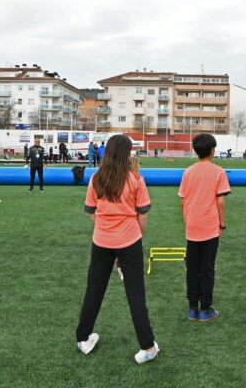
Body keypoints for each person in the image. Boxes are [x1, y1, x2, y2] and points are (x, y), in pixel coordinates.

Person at [76, 135, 158, 363]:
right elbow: (142, 215)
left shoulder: (96, 178)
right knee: (135, 295)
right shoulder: (135, 179)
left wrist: (106, 228)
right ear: (126, 153)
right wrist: (135, 235)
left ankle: (83, 338)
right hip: (128, 241)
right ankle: (147, 347)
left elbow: (92, 212)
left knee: (94, 289)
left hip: (101, 241)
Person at [179, 133, 231, 322]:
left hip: (192, 226)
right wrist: (222, 224)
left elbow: (182, 201)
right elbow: (221, 201)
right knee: (207, 268)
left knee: (192, 268)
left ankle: (193, 308)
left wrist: (188, 220)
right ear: (212, 151)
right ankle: (206, 308)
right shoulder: (218, 171)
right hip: (210, 227)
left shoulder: (188, 172)